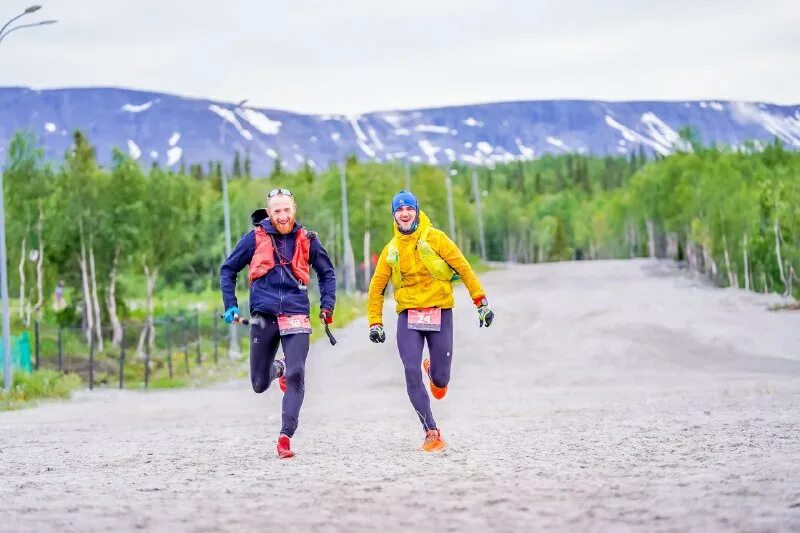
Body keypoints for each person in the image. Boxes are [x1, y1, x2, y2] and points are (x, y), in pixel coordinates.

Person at [367, 190, 494, 452]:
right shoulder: (391, 250)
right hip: (409, 315)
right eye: (399, 210)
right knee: (410, 372)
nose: (404, 214)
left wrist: (481, 303)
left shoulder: (436, 238)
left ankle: (434, 372)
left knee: (441, 380)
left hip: (439, 310)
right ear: (394, 215)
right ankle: (431, 431)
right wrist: (375, 322)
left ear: (416, 211)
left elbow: (464, 268)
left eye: (409, 209)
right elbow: (376, 288)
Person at [220, 188, 336, 459]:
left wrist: (327, 305)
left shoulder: (308, 239)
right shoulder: (253, 239)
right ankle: (279, 368)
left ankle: (285, 438)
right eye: (277, 212)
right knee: (259, 383)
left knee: (297, 374)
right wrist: (230, 304)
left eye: (287, 210)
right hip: (263, 316)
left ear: (294, 209)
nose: (282, 216)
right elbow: (228, 269)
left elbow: (327, 273)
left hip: (296, 312)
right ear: (269, 213)